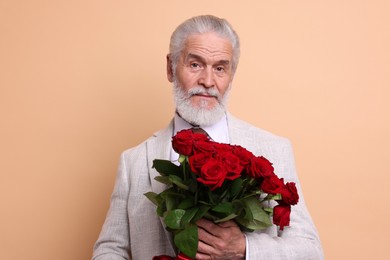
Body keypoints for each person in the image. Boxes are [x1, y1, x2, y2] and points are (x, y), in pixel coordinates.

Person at [92, 15, 324, 260]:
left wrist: (244, 248)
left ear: (231, 75)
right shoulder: (133, 162)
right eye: (195, 65)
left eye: (220, 68)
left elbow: (310, 250)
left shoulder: (274, 149)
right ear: (171, 68)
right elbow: (111, 249)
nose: (207, 81)